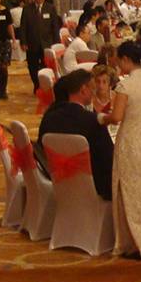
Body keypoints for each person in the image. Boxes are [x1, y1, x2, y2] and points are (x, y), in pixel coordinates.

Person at [98, 42, 141, 258]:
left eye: (118, 59)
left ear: (126, 60)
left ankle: (134, 243)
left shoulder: (125, 87)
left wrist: (101, 118)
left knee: (128, 193)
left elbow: (116, 118)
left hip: (129, 144)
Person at [38, 68, 114, 200]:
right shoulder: (92, 122)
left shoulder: (49, 117)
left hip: (56, 180)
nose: (94, 92)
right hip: (93, 189)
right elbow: (108, 159)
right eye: (92, 88)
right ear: (83, 90)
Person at [18, 0, 62, 91]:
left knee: (45, 65)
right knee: (32, 66)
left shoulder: (50, 8)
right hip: (32, 43)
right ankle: (36, 85)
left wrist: (56, 43)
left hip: (47, 43)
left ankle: (44, 86)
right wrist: (23, 42)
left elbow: (55, 27)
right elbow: (23, 27)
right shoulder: (27, 9)